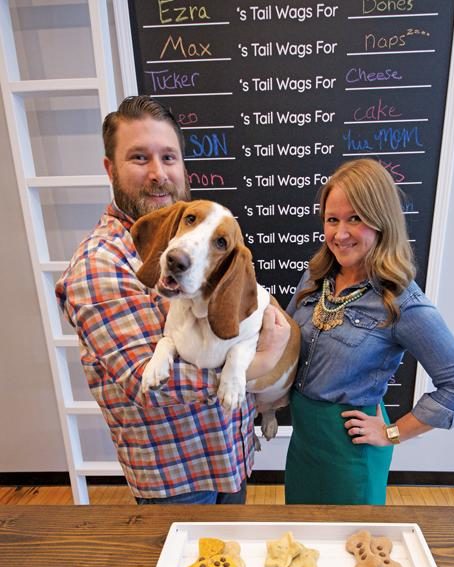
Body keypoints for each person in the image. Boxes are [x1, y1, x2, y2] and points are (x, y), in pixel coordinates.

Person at [56, 95, 289, 504]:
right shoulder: (99, 263)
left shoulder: (185, 233)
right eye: (139, 158)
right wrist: (261, 366)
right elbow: (149, 382)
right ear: (110, 168)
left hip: (229, 457)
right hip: (176, 480)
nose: (158, 174)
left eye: (169, 157)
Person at [284, 158, 454, 505]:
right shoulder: (315, 278)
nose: (340, 234)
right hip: (303, 443)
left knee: (350, 549)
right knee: (305, 541)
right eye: (332, 219)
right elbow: (283, 345)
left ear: (382, 221)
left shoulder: (403, 302)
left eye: (355, 218)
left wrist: (391, 433)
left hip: (351, 452)